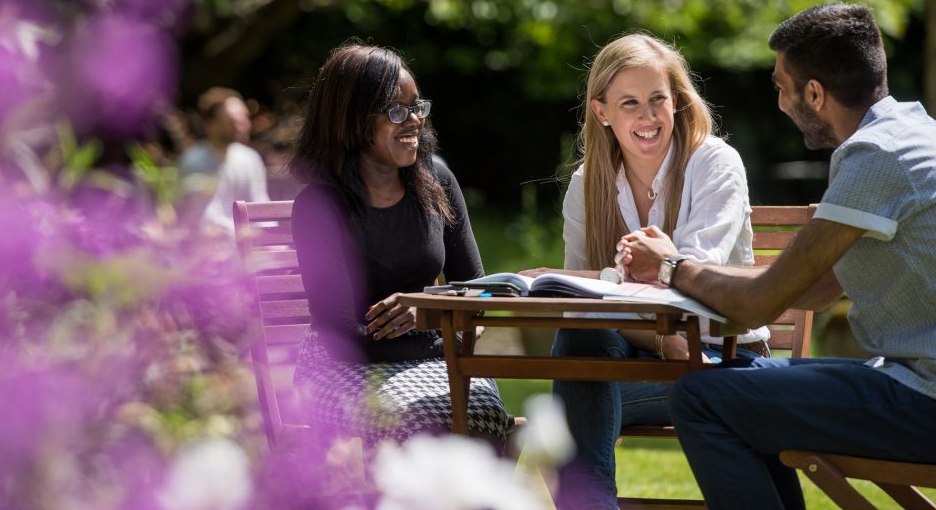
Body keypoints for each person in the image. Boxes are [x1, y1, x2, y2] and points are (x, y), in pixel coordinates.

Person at [619, 3, 936, 510]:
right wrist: (695, 275)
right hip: (935, 384)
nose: (780, 102)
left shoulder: (875, 157)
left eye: (782, 87)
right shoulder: (920, 132)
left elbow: (761, 304)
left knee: (699, 400)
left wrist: (673, 267)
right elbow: (814, 286)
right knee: (739, 384)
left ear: (814, 93)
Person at [526, 33, 768, 510]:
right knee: (580, 341)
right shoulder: (586, 183)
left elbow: (696, 280)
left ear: (677, 101)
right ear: (601, 112)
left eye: (658, 100)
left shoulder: (713, 163)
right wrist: (659, 339)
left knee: (568, 402)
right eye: (630, 103)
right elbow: (581, 304)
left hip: (722, 359)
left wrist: (611, 281)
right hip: (638, 357)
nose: (647, 116)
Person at [287, 42, 509, 447]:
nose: (413, 121)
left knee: (482, 412)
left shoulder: (437, 181)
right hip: (340, 368)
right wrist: (437, 332)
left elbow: (479, 291)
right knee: (413, 418)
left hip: (433, 354)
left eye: (417, 107)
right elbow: (341, 338)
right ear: (349, 120)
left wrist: (425, 309)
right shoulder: (319, 207)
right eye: (395, 111)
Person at [177, 87, 270, 231]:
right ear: (210, 125)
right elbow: (205, 219)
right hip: (212, 247)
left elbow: (260, 205)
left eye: (244, 117)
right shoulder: (194, 162)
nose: (243, 125)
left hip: (248, 242)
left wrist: (269, 238)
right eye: (233, 120)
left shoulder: (250, 158)